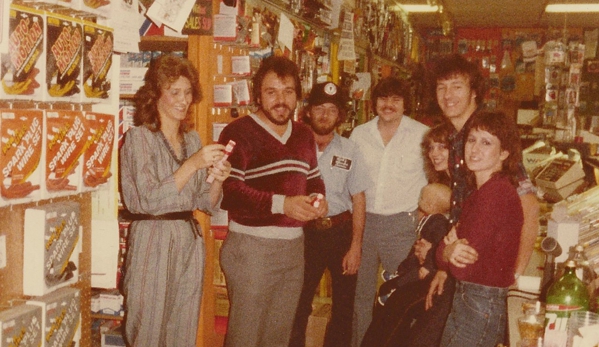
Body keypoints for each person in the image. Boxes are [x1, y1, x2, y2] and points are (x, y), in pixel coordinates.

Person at [119, 54, 231, 346]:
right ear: (155, 95)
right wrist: (192, 165)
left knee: (182, 330)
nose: (184, 100)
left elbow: (205, 202)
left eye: (188, 92)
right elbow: (147, 200)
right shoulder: (139, 138)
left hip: (188, 239)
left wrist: (218, 176)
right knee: (148, 328)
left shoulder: (192, 140)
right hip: (153, 237)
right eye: (175, 92)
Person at [217, 56, 328, 347]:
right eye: (272, 92)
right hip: (251, 251)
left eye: (288, 91)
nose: (281, 100)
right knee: (245, 337)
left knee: (278, 337)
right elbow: (230, 191)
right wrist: (283, 204)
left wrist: (319, 199)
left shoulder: (304, 134)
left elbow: (314, 178)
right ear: (257, 95)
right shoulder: (237, 133)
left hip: (293, 249)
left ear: (298, 96)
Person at [426, 53, 539, 310]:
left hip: (486, 283)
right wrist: (446, 264)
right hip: (466, 268)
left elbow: (530, 209)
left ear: (474, 92)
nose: (448, 95)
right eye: (441, 87)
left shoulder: (486, 136)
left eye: (457, 86)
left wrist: (514, 279)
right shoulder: (457, 139)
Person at [349, 76, 429, 347]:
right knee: (359, 296)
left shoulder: (422, 135)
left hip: (403, 226)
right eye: (384, 99)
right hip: (363, 224)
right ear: (374, 103)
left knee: (402, 294)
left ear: (406, 104)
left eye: (396, 99)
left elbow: (434, 178)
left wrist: (424, 213)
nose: (389, 105)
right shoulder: (359, 135)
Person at [289, 82, 370, 347]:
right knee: (297, 302)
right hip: (303, 234)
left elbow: (358, 198)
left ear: (340, 116)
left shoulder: (351, 150)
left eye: (332, 110)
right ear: (308, 111)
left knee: (344, 306)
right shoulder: (293, 146)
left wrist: (356, 246)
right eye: (319, 108)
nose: (325, 115)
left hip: (340, 232)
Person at [436, 111, 524, 346]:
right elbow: (450, 254)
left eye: (486, 142)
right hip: (472, 300)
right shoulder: (481, 192)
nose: (475, 149)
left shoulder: (495, 194)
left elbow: (461, 268)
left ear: (504, 153)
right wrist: (447, 250)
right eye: (472, 140)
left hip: (480, 303)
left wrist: (446, 249)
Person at [360, 183, 452, 347]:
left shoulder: (437, 222)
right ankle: (395, 281)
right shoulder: (430, 220)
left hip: (426, 271)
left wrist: (427, 266)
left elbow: (438, 246)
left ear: (431, 205)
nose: (419, 200)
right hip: (421, 265)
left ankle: (394, 283)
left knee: (399, 293)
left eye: (422, 198)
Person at [421, 121, 453, 186]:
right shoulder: (437, 183)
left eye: (442, 147)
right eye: (431, 148)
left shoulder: (467, 184)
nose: (434, 153)